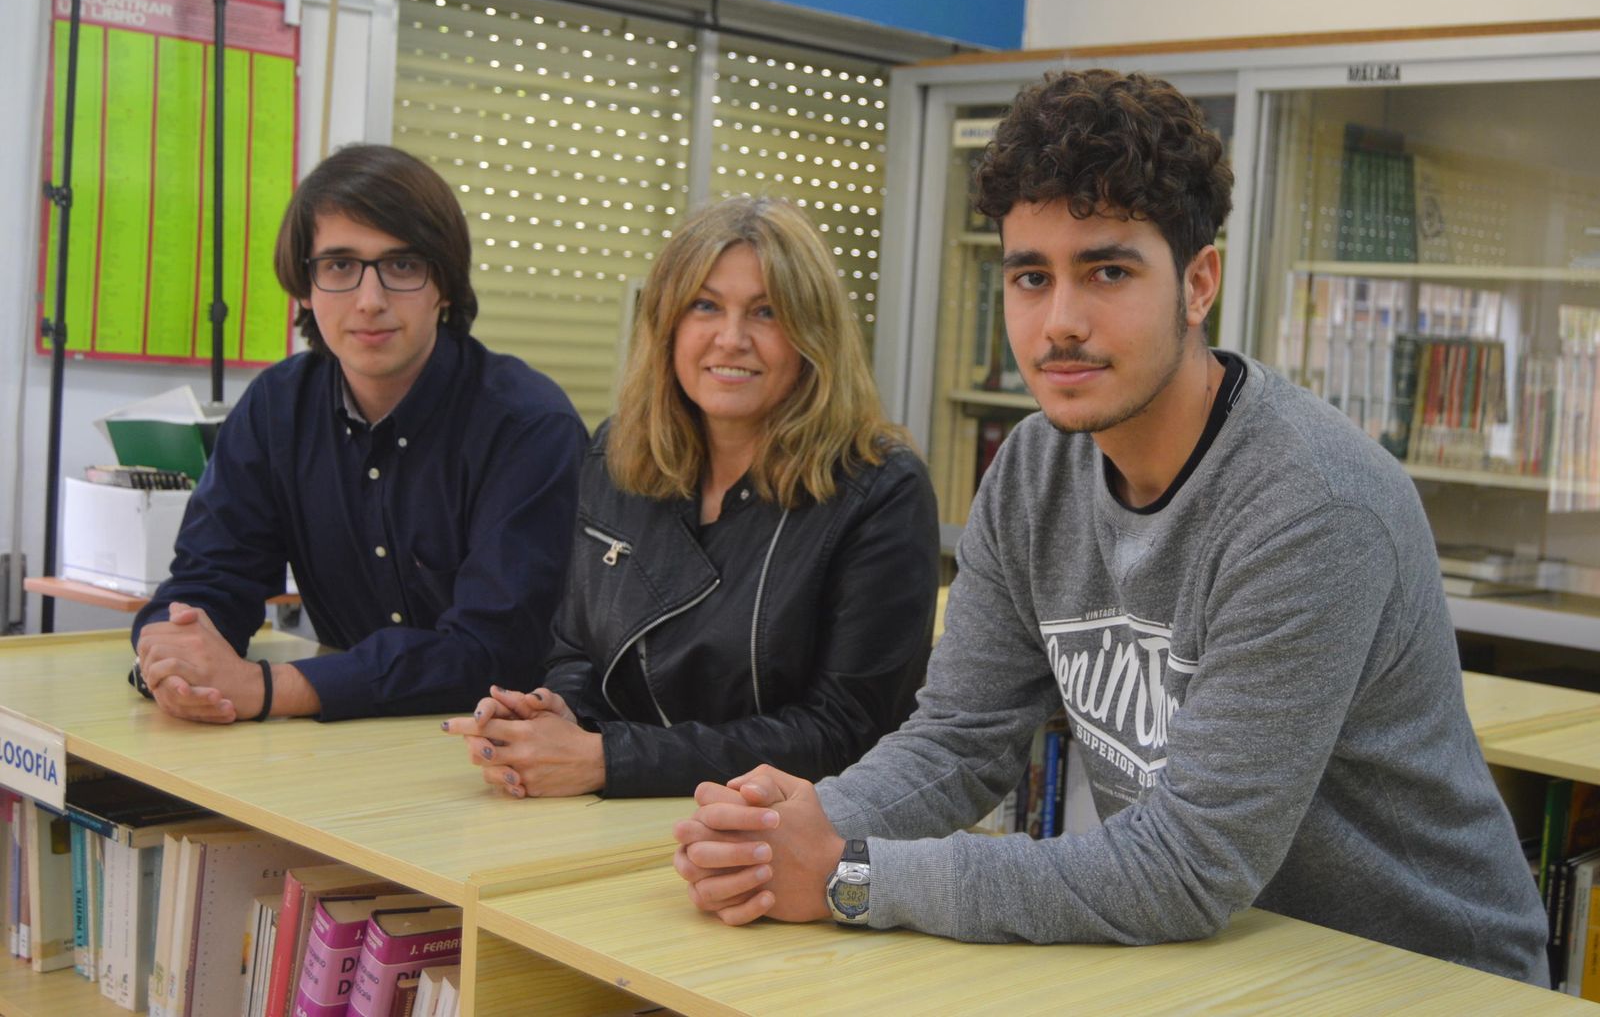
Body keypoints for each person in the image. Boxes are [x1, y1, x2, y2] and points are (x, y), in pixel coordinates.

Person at [670, 70, 1550, 985]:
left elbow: (1185, 868)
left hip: (1423, 977)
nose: (1061, 323)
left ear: (1198, 281)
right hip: (1221, 959)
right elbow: (959, 741)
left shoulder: (1312, 507)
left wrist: (853, 876)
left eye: (1108, 271)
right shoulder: (1031, 469)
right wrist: (791, 830)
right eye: (1030, 277)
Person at [442, 195, 939, 798]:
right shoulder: (617, 453)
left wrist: (608, 759)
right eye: (705, 306)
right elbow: (576, 650)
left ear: (814, 335)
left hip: (781, 836)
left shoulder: (879, 489)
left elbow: (844, 733)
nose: (731, 339)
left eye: (766, 312)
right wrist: (558, 717)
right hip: (613, 815)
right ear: (667, 325)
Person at [130, 144, 586, 723]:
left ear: (443, 284)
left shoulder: (528, 427)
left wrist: (268, 688)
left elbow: (488, 652)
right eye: (340, 266)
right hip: (349, 740)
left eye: (401, 266)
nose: (370, 302)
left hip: (507, 750)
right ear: (304, 285)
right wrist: (170, 654)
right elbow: (211, 576)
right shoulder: (277, 408)